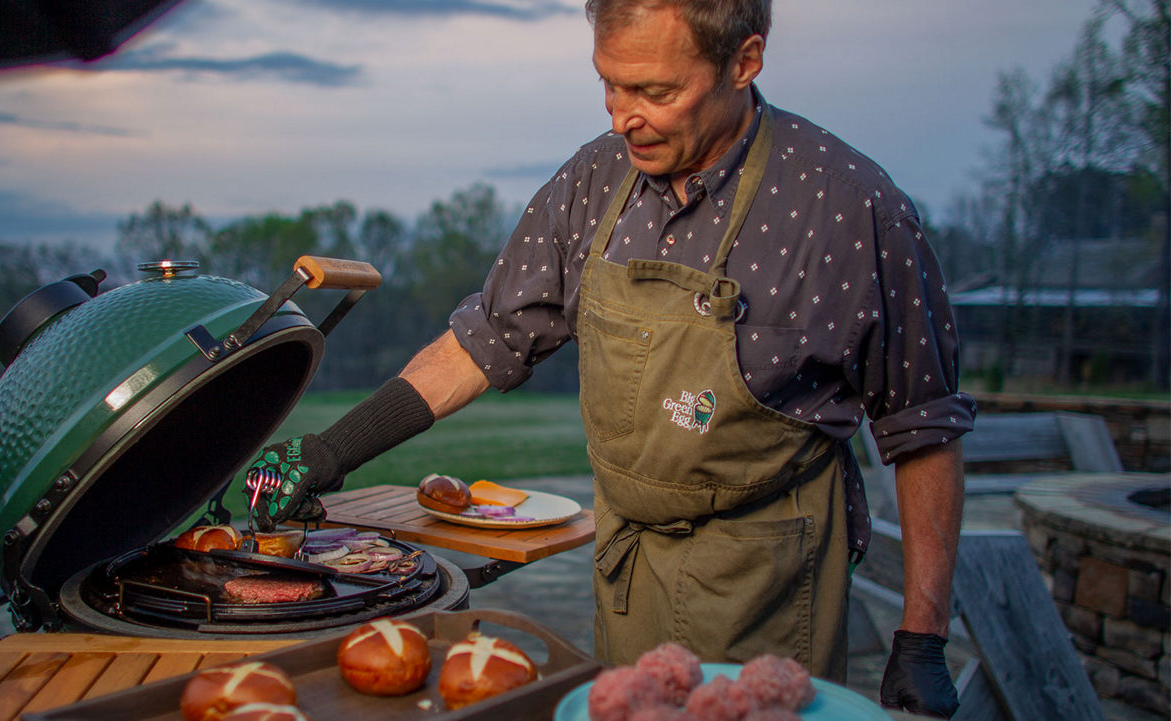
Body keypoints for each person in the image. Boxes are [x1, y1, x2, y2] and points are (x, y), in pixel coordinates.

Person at [247, 0, 973, 716]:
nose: (623, 116)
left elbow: (923, 427)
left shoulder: (848, 206)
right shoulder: (593, 183)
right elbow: (483, 341)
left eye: (656, 91)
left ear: (744, 62)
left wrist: (923, 635)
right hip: (627, 570)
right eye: (610, 84)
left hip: (768, 583)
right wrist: (334, 448)